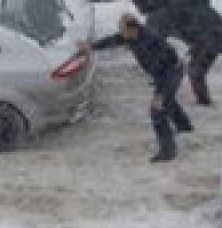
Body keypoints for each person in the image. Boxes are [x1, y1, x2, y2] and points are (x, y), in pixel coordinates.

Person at [80, 13, 191, 163]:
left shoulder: (151, 40)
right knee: (167, 101)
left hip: (172, 72)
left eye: (123, 30)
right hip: (161, 74)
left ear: (132, 28)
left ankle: (168, 150)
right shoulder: (131, 35)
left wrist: (161, 93)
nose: (121, 33)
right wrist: (91, 47)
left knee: (157, 110)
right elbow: (112, 40)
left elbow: (169, 67)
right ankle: (185, 127)